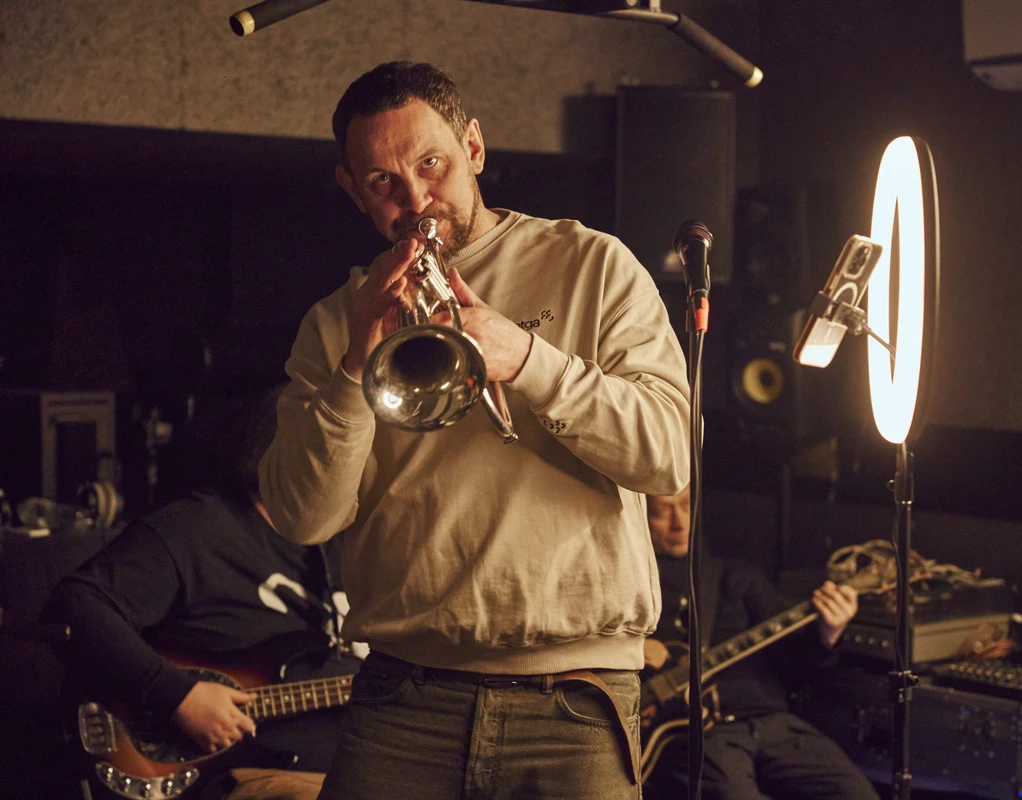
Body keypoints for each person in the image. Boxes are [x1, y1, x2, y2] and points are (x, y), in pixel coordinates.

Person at [257, 61, 689, 799]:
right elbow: (303, 516)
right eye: (383, 181)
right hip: (401, 701)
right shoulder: (333, 322)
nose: (415, 200)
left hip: (575, 700)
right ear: (351, 188)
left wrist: (527, 358)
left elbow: (670, 458)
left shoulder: (592, 263)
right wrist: (355, 367)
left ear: (475, 148)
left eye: (432, 164)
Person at [45, 387, 359, 800]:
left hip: (343, 762)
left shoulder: (340, 544)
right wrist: (177, 696)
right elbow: (75, 607)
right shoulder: (199, 528)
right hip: (242, 777)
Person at [643, 486, 878, 800]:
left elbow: (793, 660)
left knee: (856, 793)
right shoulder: (632, 590)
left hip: (772, 722)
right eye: (662, 511)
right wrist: (634, 649)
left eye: (686, 506)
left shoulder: (736, 577)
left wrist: (828, 632)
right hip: (700, 735)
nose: (680, 522)